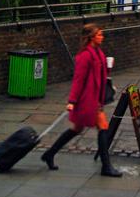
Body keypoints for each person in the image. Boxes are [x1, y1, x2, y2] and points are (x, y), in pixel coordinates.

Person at [41, 23, 122, 177]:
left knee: (76, 129)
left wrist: (108, 68)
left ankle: (49, 154)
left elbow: (100, 74)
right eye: (99, 34)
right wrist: (72, 101)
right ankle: (106, 167)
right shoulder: (85, 56)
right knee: (103, 127)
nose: (102, 37)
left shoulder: (98, 52)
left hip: (95, 97)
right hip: (87, 100)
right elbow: (78, 79)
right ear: (91, 37)